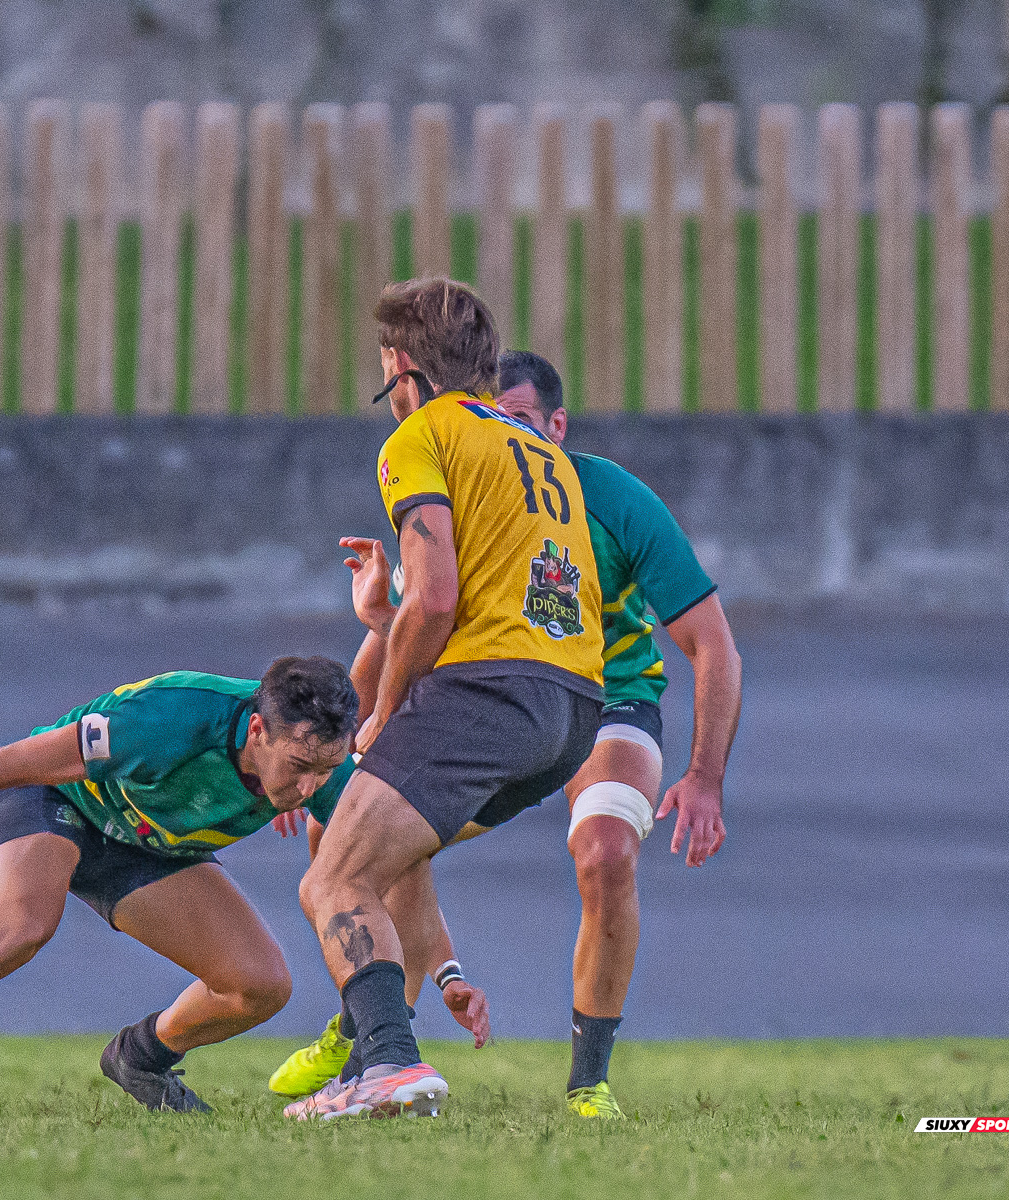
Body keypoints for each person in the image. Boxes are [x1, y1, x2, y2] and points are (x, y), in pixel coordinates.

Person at [269, 349, 742, 1121]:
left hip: (608, 702)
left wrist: (706, 775)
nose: (503, 433)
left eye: (519, 420)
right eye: (491, 417)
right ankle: (370, 1041)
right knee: (366, 846)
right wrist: (319, 761)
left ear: (557, 426)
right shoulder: (466, 482)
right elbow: (403, 625)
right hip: (496, 704)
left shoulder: (613, 497)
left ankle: (588, 1084)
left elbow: (712, 642)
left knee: (605, 851)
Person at [286, 279, 605, 1121]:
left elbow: (436, 600)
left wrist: (385, 709)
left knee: (333, 878)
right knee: (378, 849)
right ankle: (387, 1046)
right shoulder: (539, 448)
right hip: (571, 711)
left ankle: (390, 1062)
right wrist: (385, 622)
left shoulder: (419, 437)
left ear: (402, 366)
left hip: (489, 693)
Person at [0, 657, 361, 1115]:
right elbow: (4, 763)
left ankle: (140, 1058)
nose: (311, 785)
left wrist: (443, 973)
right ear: (258, 729)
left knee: (260, 985)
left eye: (324, 770)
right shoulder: (170, 718)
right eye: (298, 766)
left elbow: (396, 853)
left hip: (147, 845)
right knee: (19, 928)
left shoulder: (323, 769)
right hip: (59, 800)